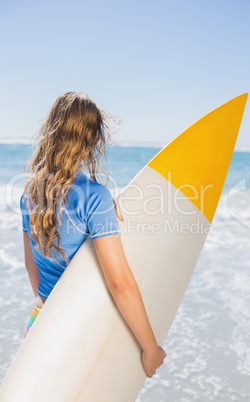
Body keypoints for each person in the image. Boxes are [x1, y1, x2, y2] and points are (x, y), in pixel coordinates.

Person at [20, 91, 166, 379]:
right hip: (76, 334)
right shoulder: (93, 198)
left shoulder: (31, 193)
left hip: (37, 324)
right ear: (93, 141)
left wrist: (48, 305)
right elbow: (119, 282)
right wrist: (150, 349)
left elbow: (31, 266)